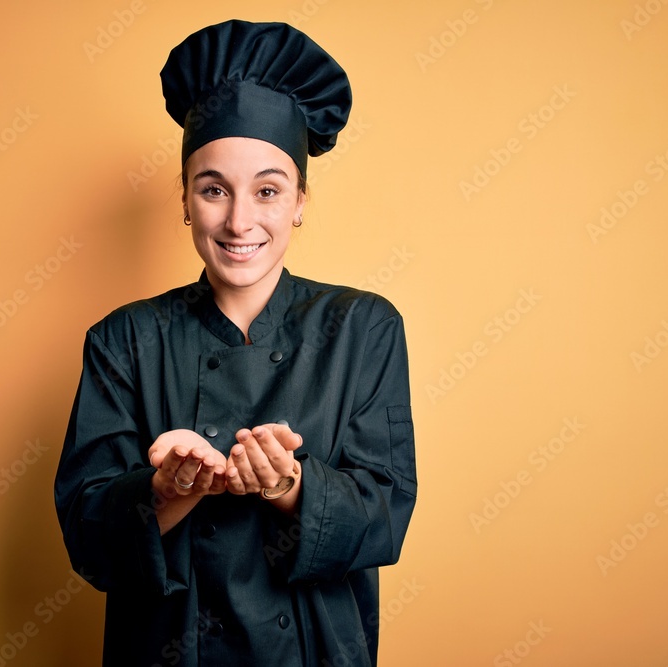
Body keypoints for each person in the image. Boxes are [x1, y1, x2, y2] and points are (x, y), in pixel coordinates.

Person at [54, 19, 417, 667]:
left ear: (301, 200)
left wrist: (289, 484)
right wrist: (170, 488)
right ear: (186, 200)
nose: (239, 220)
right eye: (214, 188)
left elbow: (386, 514)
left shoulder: (364, 327)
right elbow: (87, 536)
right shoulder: (123, 339)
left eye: (269, 190)